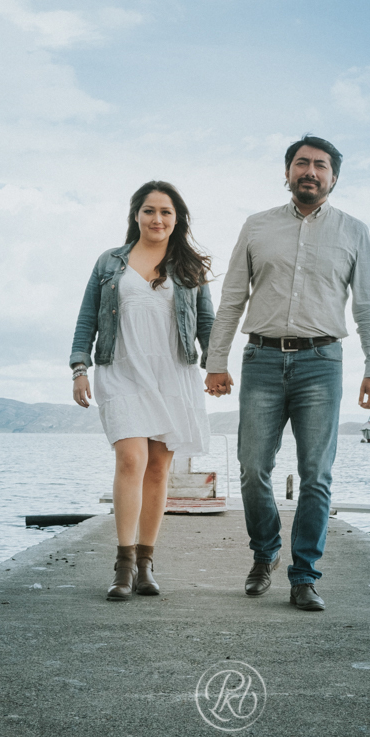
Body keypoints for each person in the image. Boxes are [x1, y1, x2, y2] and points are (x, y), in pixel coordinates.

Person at [205, 136, 370, 612]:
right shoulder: (256, 227)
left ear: (333, 178)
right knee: (252, 468)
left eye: (320, 165)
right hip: (261, 359)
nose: (310, 171)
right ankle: (264, 553)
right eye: (301, 163)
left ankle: (304, 575)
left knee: (316, 475)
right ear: (287, 173)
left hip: (322, 363)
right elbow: (231, 299)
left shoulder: (354, 232)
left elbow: (369, 304)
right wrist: (216, 361)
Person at [71, 181, 214, 601]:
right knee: (131, 458)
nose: (157, 219)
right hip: (120, 369)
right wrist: (79, 367)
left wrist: (215, 367)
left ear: (177, 218)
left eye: (166, 212)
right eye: (149, 210)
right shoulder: (110, 262)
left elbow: (206, 323)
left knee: (158, 467)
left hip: (173, 374)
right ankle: (123, 564)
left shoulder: (189, 267)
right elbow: (86, 321)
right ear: (136, 215)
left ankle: (147, 564)